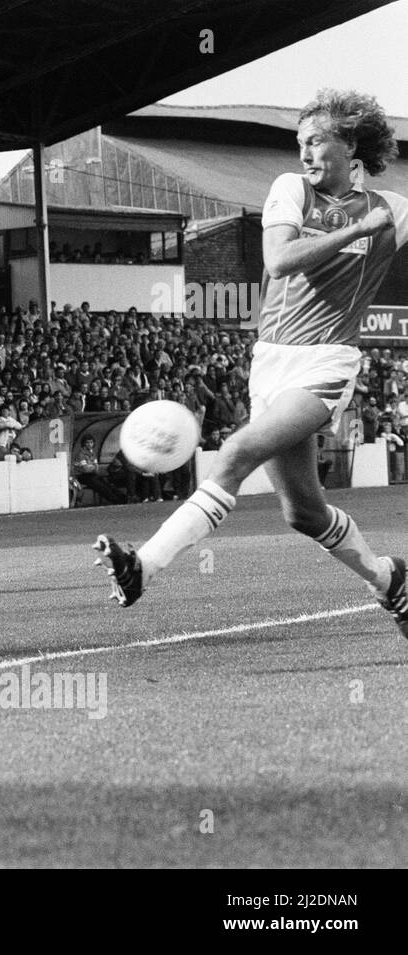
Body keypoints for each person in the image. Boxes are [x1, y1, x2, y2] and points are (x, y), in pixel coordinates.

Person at [96, 88, 408, 637]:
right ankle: (390, 581)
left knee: (235, 451)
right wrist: (357, 231)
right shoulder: (292, 191)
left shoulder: (392, 208)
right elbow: (279, 261)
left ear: (351, 146)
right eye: (300, 143)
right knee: (303, 514)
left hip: (326, 362)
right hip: (270, 362)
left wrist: (372, 224)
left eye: (316, 142)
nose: (305, 154)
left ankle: (143, 566)